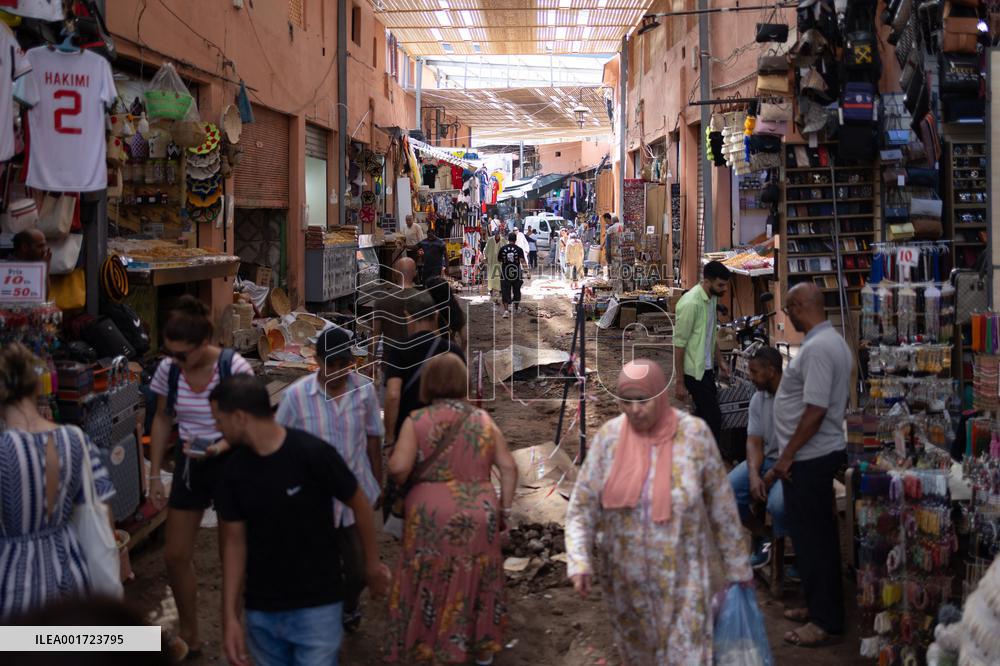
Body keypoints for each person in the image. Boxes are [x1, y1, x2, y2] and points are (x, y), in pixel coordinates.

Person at [565, 359, 751, 664]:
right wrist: (579, 559)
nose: (635, 410)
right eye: (627, 401)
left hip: (684, 583)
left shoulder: (694, 436)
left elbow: (722, 507)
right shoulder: (609, 441)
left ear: (659, 394)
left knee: (687, 656)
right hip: (627, 591)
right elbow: (582, 507)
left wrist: (738, 568)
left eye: (643, 400)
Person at [213, 375, 391, 666]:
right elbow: (234, 544)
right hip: (262, 611)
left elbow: (359, 502)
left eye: (219, 420)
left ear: (240, 418)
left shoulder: (312, 454)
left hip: (317, 606)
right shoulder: (233, 472)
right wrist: (230, 617)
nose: (217, 428)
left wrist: (371, 565)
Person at [386, 354, 518, 664]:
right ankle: (481, 650)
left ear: (428, 384)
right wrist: (503, 511)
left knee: (428, 579)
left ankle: (425, 643)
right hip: (478, 514)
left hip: (429, 517)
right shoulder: (482, 420)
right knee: (478, 579)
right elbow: (509, 467)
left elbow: (400, 468)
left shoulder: (416, 421)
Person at [147, 295, 255, 658]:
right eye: (169, 353)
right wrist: (153, 476)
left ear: (203, 344)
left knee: (231, 557)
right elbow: (163, 417)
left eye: (182, 354)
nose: (174, 361)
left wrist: (223, 445)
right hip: (191, 463)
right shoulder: (170, 370)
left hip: (230, 462)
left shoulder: (233, 366)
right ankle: (191, 634)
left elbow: (251, 423)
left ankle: (231, 631)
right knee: (175, 554)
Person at [276, 326, 384, 633]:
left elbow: (374, 440)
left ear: (350, 362)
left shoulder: (363, 391)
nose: (336, 371)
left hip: (355, 498)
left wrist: (377, 484)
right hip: (312, 501)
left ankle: (348, 605)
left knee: (358, 570)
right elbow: (278, 443)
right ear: (317, 360)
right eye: (330, 364)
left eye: (342, 364)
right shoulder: (297, 396)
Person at [0, 343, 117, 622]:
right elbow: (103, 509)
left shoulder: (4, 449)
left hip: (12, 586)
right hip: (70, 576)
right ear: (36, 388)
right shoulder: (73, 439)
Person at [763, 282, 851, 648]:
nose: (787, 316)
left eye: (788, 309)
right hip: (813, 454)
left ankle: (825, 622)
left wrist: (786, 456)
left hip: (810, 458)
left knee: (814, 541)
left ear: (800, 306)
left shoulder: (818, 349)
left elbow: (815, 410)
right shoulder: (830, 342)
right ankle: (817, 607)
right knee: (815, 537)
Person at [727, 346, 787, 569]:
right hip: (768, 461)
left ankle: (797, 551)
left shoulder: (793, 397)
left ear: (771, 371)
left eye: (755, 372)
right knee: (727, 493)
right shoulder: (758, 400)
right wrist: (753, 474)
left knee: (778, 505)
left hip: (792, 466)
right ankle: (763, 536)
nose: (751, 377)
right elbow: (754, 442)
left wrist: (770, 477)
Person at [383, 289, 466, 447]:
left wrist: (389, 438)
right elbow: (465, 396)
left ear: (408, 317)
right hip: (447, 433)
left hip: (409, 433)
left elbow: (393, 395)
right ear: (435, 315)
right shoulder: (452, 350)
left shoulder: (399, 350)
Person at [673, 260, 731, 446]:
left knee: (704, 415)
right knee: (713, 418)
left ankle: (691, 449)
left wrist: (720, 360)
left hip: (706, 368)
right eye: (720, 285)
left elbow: (710, 333)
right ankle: (707, 456)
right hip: (693, 371)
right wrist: (680, 381)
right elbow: (679, 344)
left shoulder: (712, 298)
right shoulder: (691, 303)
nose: (724, 290)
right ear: (707, 281)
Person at [372, 257, 418, 364]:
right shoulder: (425, 299)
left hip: (390, 361)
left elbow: (375, 336)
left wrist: (371, 362)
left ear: (395, 273)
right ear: (415, 273)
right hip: (416, 362)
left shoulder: (382, 300)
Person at [425, 275, 467, 350]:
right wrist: (459, 354)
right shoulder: (455, 309)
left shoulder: (430, 314)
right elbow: (464, 339)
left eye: (427, 291)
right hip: (450, 352)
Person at [498, 230, 529, 319]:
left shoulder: (503, 249)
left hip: (505, 272)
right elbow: (522, 261)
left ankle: (506, 311)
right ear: (515, 240)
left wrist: (506, 261)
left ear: (508, 239)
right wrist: (527, 272)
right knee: (516, 290)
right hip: (516, 273)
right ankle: (516, 308)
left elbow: (499, 260)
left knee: (505, 291)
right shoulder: (519, 249)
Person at [484, 229, 502, 302]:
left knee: (500, 276)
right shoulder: (490, 240)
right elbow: (486, 250)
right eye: (496, 234)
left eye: (498, 234)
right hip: (491, 262)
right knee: (491, 276)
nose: (497, 235)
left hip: (500, 262)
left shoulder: (503, 240)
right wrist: (485, 258)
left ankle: (500, 290)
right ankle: (491, 290)